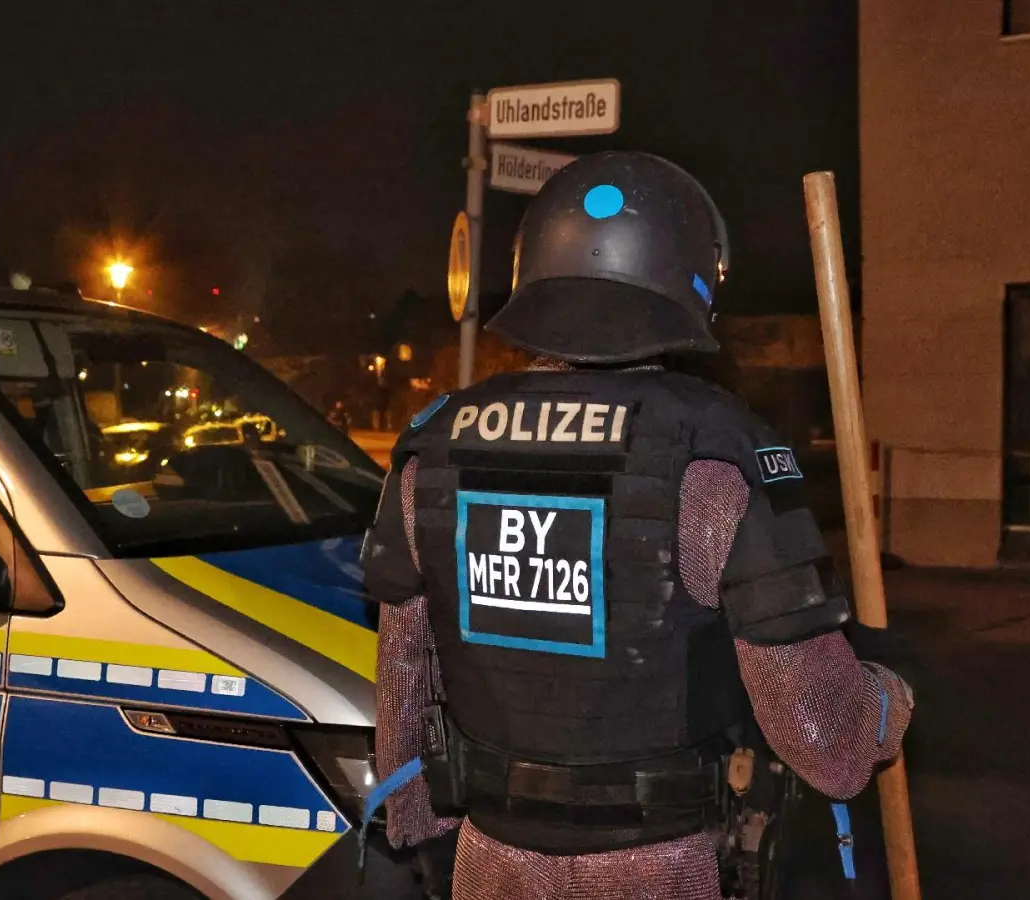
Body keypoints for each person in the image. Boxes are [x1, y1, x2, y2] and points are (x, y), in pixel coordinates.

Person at [359, 150, 914, 900]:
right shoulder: (716, 456)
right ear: (691, 280)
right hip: (665, 869)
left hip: (490, 866)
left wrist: (422, 845)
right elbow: (831, 748)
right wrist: (888, 690)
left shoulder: (432, 447)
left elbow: (403, 687)